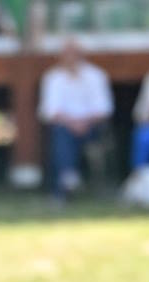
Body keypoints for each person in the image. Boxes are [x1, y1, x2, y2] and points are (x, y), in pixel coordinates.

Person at [39, 38, 113, 200]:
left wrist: (84, 122)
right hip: (65, 126)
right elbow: (49, 111)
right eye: (66, 55)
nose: (70, 58)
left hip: (93, 126)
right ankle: (66, 181)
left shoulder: (96, 75)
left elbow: (104, 109)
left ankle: (67, 179)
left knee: (66, 135)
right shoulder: (53, 78)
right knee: (61, 134)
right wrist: (72, 123)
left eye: (74, 54)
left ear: (82, 56)